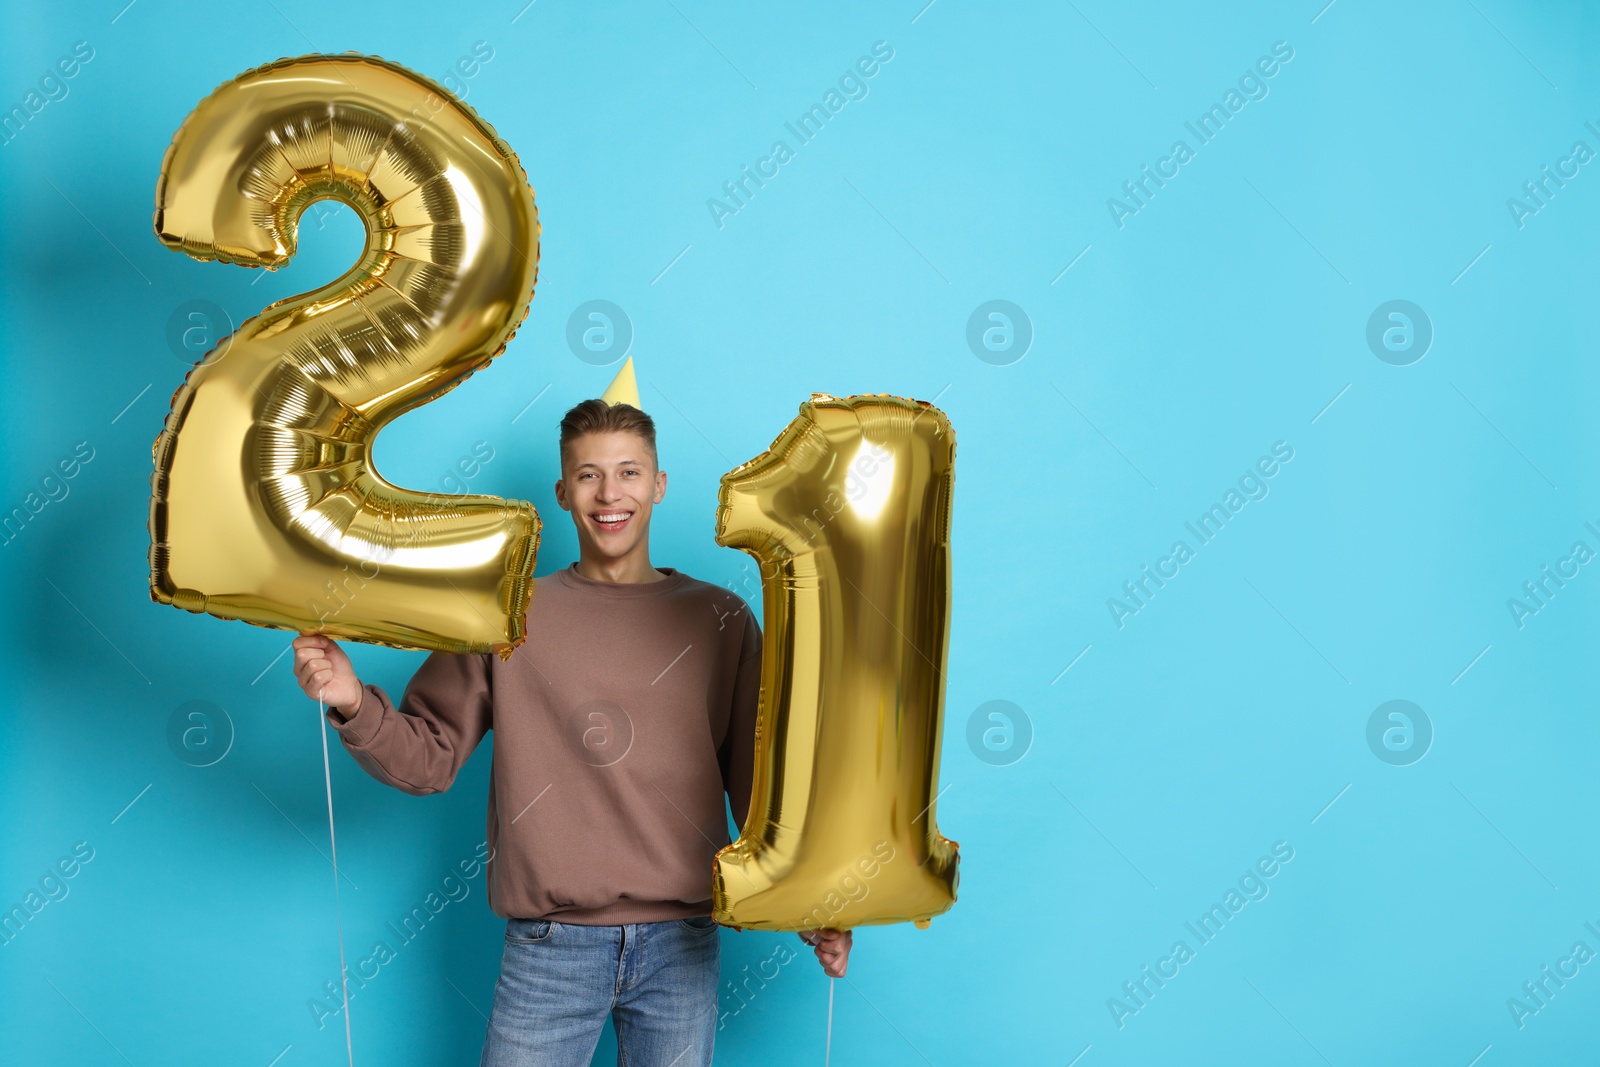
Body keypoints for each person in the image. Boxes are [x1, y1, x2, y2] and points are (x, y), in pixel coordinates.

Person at [290, 399, 852, 1066]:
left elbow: (760, 793)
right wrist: (353, 699)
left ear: (659, 484)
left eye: (629, 472)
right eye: (588, 475)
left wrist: (813, 901)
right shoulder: (506, 612)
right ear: (562, 490)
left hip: (683, 944)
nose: (609, 493)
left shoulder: (722, 619)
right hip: (549, 947)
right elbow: (431, 757)